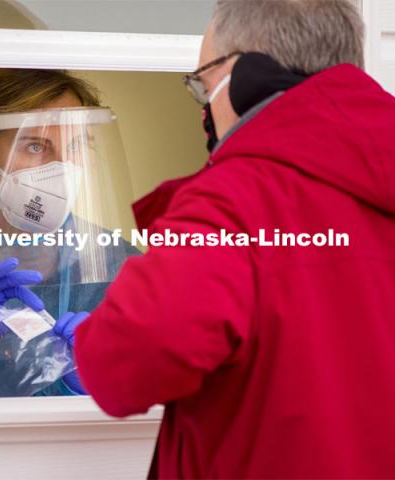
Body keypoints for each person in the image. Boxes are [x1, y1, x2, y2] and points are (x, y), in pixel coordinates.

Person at [71, 1, 395, 478]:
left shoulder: (232, 202)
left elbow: (121, 367)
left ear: (242, 76)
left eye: (203, 84)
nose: (206, 111)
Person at [0, 68, 136, 397]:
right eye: (36, 147)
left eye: (77, 144)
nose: (63, 168)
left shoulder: (121, 263)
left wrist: (97, 386)